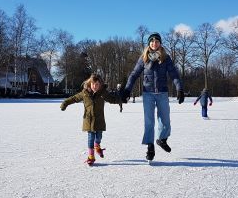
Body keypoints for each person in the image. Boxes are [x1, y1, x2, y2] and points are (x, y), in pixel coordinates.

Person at [120, 32, 184, 162]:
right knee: (149, 121)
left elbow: (174, 74)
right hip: (148, 93)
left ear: (160, 43)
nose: (154, 43)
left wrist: (180, 89)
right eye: (152, 41)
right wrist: (127, 90)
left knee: (165, 120)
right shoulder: (144, 58)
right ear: (149, 44)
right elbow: (134, 74)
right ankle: (150, 146)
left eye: (157, 41)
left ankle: (162, 139)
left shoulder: (165, 58)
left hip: (162, 93)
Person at [60, 73, 123, 166]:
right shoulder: (84, 93)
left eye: (97, 84)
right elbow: (74, 98)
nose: (95, 86)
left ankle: (97, 146)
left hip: (99, 120)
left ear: (100, 84)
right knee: (90, 138)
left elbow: (111, 99)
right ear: (90, 83)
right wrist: (65, 103)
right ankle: (91, 156)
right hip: (88, 120)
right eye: (93, 84)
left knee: (98, 137)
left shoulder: (103, 93)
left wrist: (121, 99)